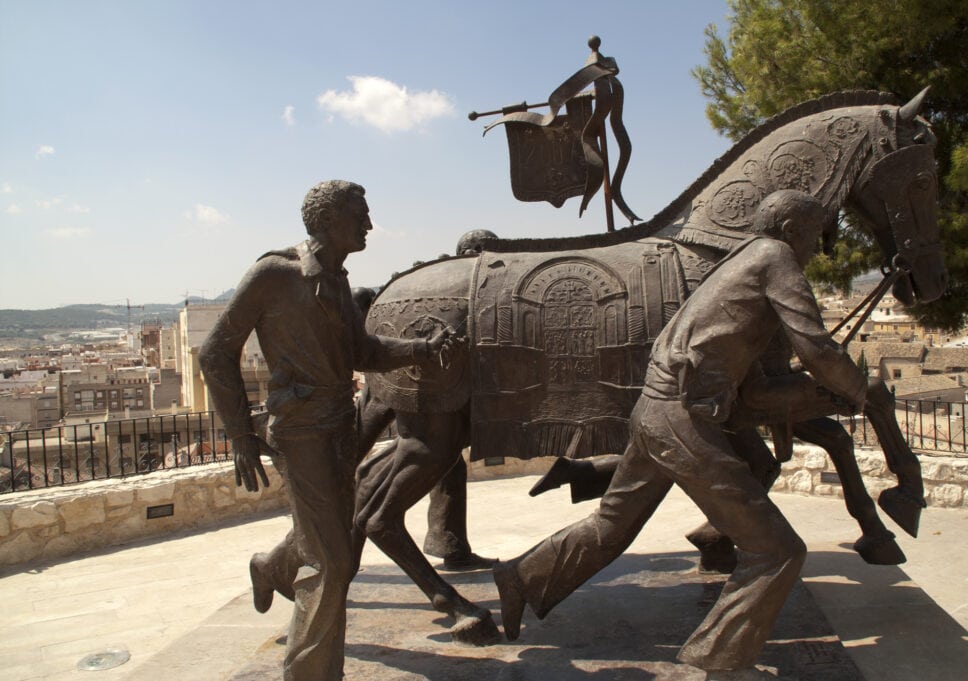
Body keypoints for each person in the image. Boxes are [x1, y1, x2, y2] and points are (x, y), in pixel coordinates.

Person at [491, 190, 868, 671]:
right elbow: (817, 348)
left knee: (611, 524)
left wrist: (825, 395)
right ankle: (720, 657)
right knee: (776, 550)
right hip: (682, 420)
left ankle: (521, 578)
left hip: (656, 412)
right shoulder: (776, 256)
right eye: (817, 234)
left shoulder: (739, 264)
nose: (820, 247)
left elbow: (755, 395)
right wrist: (857, 388)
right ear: (793, 228)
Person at [199, 180, 453, 681]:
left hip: (339, 428)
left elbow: (364, 354)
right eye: (360, 214)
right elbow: (214, 352)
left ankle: (272, 569)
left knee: (331, 552)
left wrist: (422, 348)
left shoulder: (336, 279)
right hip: (300, 433)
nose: (370, 225)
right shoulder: (275, 273)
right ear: (330, 219)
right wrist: (240, 437)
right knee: (333, 564)